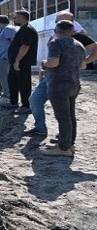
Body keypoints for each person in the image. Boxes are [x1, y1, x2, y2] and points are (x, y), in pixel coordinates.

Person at [24, 11, 97, 137]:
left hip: (64, 79)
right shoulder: (56, 35)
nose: (60, 24)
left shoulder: (77, 37)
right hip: (52, 76)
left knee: (65, 114)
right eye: (58, 21)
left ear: (72, 23)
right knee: (36, 100)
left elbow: (95, 49)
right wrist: (44, 68)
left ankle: (65, 140)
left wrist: (85, 61)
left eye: (64, 21)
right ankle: (41, 128)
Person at [39, 20, 87, 157]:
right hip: (74, 84)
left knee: (63, 117)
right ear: (72, 31)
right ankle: (69, 143)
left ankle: (63, 148)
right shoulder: (79, 45)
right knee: (70, 116)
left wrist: (44, 63)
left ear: (57, 31)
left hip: (58, 85)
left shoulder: (56, 43)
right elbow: (83, 66)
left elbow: (53, 62)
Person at [5, 10, 38, 114]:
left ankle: (26, 105)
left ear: (22, 18)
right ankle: (13, 102)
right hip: (16, 62)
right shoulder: (22, 29)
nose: (14, 19)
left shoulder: (27, 30)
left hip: (22, 63)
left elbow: (25, 46)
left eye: (16, 17)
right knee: (12, 82)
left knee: (23, 84)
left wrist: (17, 61)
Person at [0, 15, 17, 105]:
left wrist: (8, 56)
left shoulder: (8, 29)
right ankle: (6, 95)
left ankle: (7, 97)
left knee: (5, 78)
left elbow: (15, 42)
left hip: (5, 58)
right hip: (2, 57)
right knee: (3, 78)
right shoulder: (4, 29)